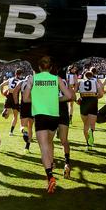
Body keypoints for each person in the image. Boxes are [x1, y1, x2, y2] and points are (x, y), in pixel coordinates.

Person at [31, 57, 74, 194]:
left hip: (46, 111)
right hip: (59, 112)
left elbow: (28, 96)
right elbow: (70, 95)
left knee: (46, 145)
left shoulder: (40, 79)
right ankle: (66, 162)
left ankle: (50, 171)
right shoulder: (59, 79)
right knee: (61, 140)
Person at [76, 70, 104, 150]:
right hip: (93, 102)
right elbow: (101, 94)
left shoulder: (80, 82)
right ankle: (91, 132)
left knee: (85, 125)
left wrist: (77, 100)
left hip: (84, 103)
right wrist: (95, 97)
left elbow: (74, 92)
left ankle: (88, 145)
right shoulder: (95, 82)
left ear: (84, 76)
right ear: (92, 76)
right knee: (92, 125)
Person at [57, 78, 75, 179]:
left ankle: (50, 164)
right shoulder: (63, 80)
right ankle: (67, 163)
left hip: (51, 110)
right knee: (64, 140)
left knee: (49, 140)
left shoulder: (47, 79)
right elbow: (73, 96)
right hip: (63, 110)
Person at [0, 69, 22, 136]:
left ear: (15, 73)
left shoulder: (10, 79)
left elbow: (1, 85)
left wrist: (2, 93)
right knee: (15, 116)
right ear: (20, 74)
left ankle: (5, 111)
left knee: (6, 115)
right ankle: (11, 132)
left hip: (9, 97)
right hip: (15, 98)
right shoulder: (20, 81)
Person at [14, 75, 33, 153]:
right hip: (33, 105)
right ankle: (27, 147)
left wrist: (16, 103)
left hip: (24, 105)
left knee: (23, 125)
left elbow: (14, 92)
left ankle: (24, 131)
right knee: (30, 127)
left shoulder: (21, 82)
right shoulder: (34, 83)